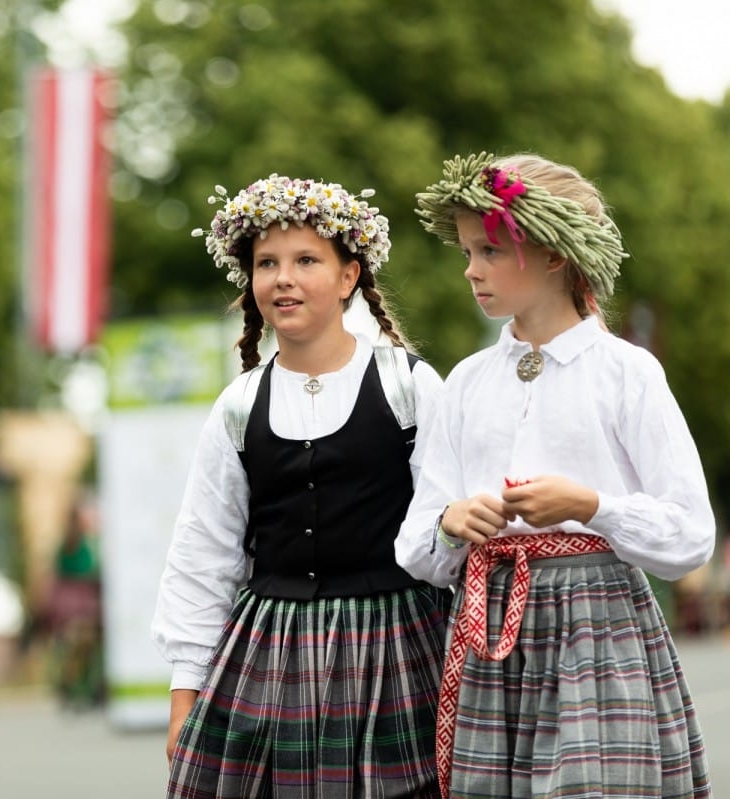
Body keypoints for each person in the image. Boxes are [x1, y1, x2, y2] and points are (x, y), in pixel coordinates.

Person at [396, 152, 713, 798]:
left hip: (597, 636)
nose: (470, 269)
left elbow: (690, 535)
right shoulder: (464, 383)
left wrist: (595, 505)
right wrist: (454, 522)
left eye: (488, 251)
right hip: (490, 638)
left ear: (553, 254)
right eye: (466, 251)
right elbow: (416, 545)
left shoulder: (626, 373)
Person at [152, 174, 452, 797]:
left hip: (398, 648)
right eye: (267, 264)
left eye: (306, 260)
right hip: (270, 653)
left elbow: (446, 523)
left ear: (349, 278)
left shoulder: (410, 386)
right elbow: (203, 553)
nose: (282, 278)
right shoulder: (239, 405)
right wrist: (185, 693)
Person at [45, 493, 104, 710]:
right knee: (82, 648)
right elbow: (86, 572)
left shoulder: (70, 543)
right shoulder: (80, 544)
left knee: (77, 650)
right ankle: (81, 688)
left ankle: (77, 688)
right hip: (81, 605)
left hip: (72, 607)